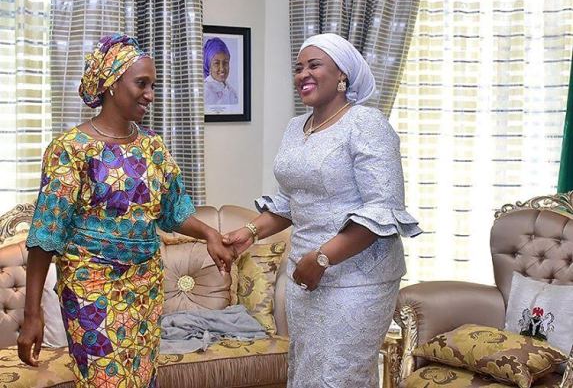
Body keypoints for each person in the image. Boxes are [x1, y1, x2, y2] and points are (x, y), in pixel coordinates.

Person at [18, 33, 235, 388]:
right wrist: (32, 314)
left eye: (153, 85)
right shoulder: (70, 149)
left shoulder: (153, 147)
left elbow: (174, 212)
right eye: (142, 83)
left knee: (142, 379)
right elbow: (46, 234)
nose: (150, 94)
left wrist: (210, 233)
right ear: (111, 83)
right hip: (90, 289)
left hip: (146, 285)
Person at [223, 33, 422, 387]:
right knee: (307, 374)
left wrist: (323, 258)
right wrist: (248, 232)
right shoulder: (294, 127)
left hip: (358, 280)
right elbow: (290, 200)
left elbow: (383, 209)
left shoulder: (366, 124)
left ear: (342, 74)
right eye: (299, 68)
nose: (303, 74)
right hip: (305, 276)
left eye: (314, 65)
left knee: (339, 376)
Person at [203, 37, 238, 105]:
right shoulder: (205, 91)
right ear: (209, 66)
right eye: (216, 63)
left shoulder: (232, 91)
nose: (222, 69)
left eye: (225, 62)